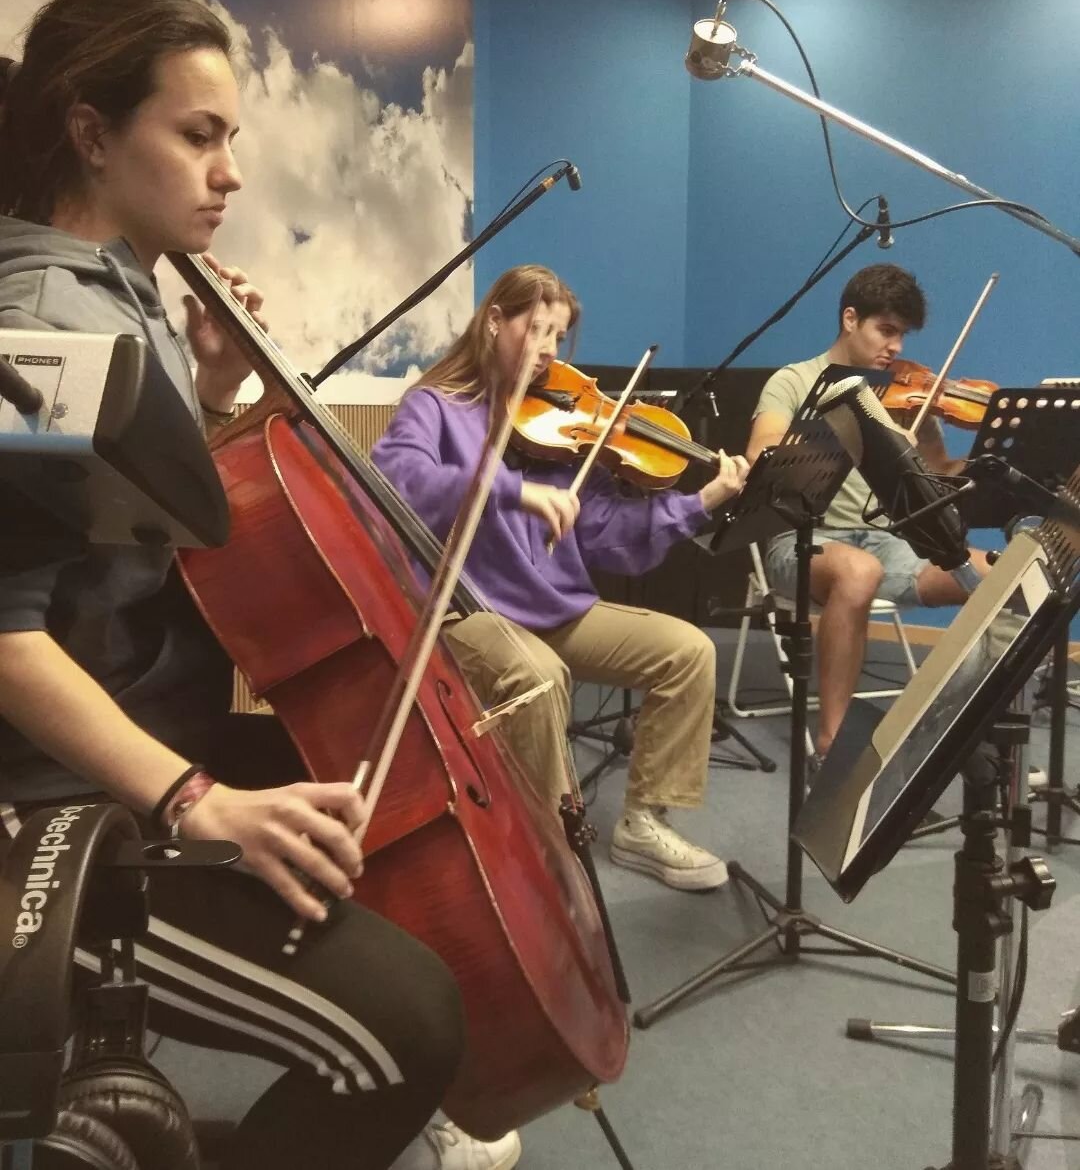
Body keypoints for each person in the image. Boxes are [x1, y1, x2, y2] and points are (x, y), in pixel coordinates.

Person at [0, 0, 520, 1170]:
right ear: (90, 134)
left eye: (230, 137)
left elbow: (113, 517)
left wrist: (214, 384)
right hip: (52, 805)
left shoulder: (127, 288)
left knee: (384, 809)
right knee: (409, 1031)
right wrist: (202, 804)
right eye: (198, 135)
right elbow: (3, 631)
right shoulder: (40, 325)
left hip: (146, 716)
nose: (228, 170)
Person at [372, 265, 749, 893]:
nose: (550, 350)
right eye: (538, 329)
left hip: (554, 607)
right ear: (496, 321)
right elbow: (397, 481)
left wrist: (701, 501)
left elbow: (606, 534)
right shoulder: (435, 406)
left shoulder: (560, 428)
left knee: (689, 652)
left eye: (559, 335)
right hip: (469, 611)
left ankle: (644, 822)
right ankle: (545, 844)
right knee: (539, 676)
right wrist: (511, 490)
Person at [747, 263, 989, 758]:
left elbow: (941, 471)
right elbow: (761, 454)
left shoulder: (905, 395)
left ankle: (952, 721)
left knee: (997, 574)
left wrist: (991, 462)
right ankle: (834, 744)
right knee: (859, 571)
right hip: (803, 542)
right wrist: (860, 431)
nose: (896, 346)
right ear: (851, 319)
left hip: (887, 541)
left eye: (902, 334)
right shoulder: (793, 381)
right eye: (886, 330)